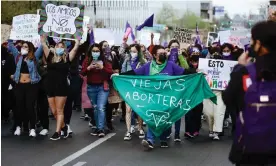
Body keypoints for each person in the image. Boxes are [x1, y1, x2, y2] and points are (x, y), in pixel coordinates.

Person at [118, 45, 196, 150]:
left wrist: (197, 73)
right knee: (152, 118)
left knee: (165, 118)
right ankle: (150, 140)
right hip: (153, 98)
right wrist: (119, 75)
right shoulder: (148, 66)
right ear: (154, 55)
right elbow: (135, 73)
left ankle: (163, 138)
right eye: (160, 53)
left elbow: (184, 72)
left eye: (164, 53)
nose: (163, 54)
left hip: (167, 98)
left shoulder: (171, 65)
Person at [223, 21, 276, 166]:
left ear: (258, 44)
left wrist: (239, 68)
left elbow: (228, 99)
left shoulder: (246, 72)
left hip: (250, 151)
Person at [41, 35, 80, 140]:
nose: (59, 48)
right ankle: (64, 128)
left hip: (61, 87)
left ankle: (57, 132)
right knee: (54, 111)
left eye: (62, 46)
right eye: (58, 46)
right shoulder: (50, 57)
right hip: (50, 86)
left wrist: (77, 41)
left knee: (59, 110)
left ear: (64, 49)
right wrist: (43, 36)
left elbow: (76, 48)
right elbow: (43, 43)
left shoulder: (67, 58)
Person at [8, 40, 43, 137]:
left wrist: (43, 39)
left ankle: (32, 128)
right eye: (23, 46)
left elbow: (41, 47)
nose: (23, 48)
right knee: (19, 106)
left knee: (30, 106)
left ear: (30, 49)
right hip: (19, 85)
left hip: (31, 85)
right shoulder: (18, 57)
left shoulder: (34, 57)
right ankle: (18, 127)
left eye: (26, 47)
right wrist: (11, 36)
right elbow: (10, 45)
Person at [81, 43, 113, 138]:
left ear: (100, 52)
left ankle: (101, 128)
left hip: (102, 87)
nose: (95, 53)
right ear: (90, 52)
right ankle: (97, 126)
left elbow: (110, 73)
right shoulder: (87, 60)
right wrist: (88, 68)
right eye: (94, 51)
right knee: (95, 107)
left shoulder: (105, 61)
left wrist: (102, 67)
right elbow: (82, 72)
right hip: (91, 87)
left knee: (100, 107)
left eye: (97, 51)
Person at [121, 44, 147, 141]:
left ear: (139, 52)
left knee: (139, 110)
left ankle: (140, 128)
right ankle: (128, 130)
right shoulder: (126, 61)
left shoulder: (143, 62)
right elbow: (122, 73)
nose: (133, 53)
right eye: (131, 51)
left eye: (135, 51)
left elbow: (146, 75)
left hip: (139, 89)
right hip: (128, 89)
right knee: (128, 110)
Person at [202, 47, 226, 140]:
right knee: (208, 112)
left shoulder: (226, 68)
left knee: (219, 112)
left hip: (220, 93)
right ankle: (211, 129)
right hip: (208, 92)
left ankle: (216, 132)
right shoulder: (205, 67)